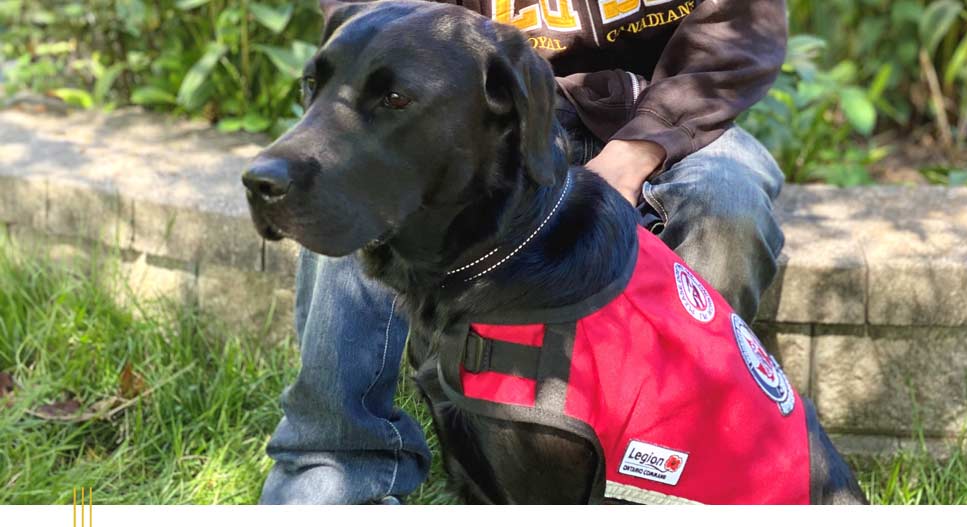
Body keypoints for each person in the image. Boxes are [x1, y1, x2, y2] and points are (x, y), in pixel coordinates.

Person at [260, 0, 789, 504]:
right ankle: (332, 469)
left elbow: (737, 29)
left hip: (663, 109)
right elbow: (378, 27)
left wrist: (637, 151)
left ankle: (668, 471)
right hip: (477, 102)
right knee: (349, 185)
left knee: (727, 205)